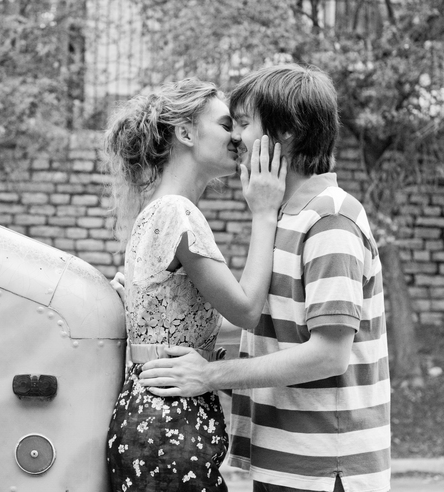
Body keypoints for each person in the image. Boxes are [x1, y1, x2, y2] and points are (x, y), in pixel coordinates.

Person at [139, 63, 391, 492]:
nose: (235, 137)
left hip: (326, 468)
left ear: (287, 131)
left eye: (242, 123)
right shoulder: (283, 217)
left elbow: (329, 356)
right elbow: (278, 335)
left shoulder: (330, 218)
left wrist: (210, 375)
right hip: (284, 461)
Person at [103, 77, 286, 491]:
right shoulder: (176, 213)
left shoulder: (159, 210)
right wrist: (264, 212)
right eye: (225, 125)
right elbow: (247, 310)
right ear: (186, 133)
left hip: (157, 420)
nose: (237, 137)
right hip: (168, 425)